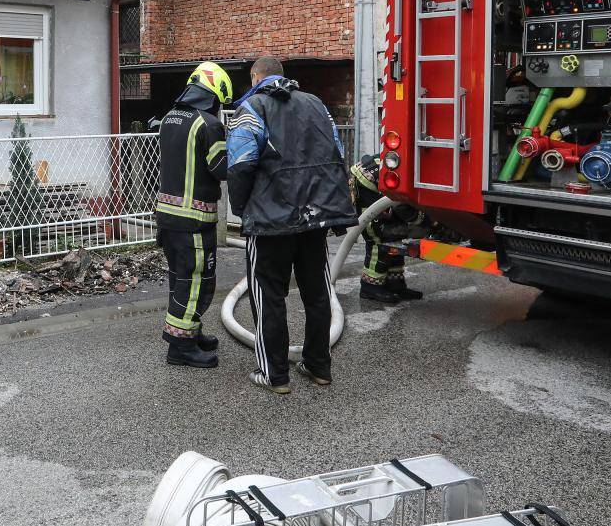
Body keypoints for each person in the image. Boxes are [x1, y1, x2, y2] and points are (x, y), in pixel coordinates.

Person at [226, 57, 358, 394]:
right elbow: (337, 151)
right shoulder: (316, 104)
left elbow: (240, 164)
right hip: (315, 218)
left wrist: (243, 209)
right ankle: (318, 366)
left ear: (256, 77)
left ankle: (275, 375)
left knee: (269, 295)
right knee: (316, 293)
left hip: (271, 221)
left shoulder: (252, 107)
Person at [153, 61, 232, 369]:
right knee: (198, 282)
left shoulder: (169, 118)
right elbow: (221, 169)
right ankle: (181, 348)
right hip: (195, 221)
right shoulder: (209, 125)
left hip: (168, 218)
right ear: (213, 94)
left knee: (180, 279)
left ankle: (190, 332)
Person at [351, 155, 424, 303]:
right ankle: (369, 287)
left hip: (383, 184)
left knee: (395, 238)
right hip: (367, 185)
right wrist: (420, 221)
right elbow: (401, 206)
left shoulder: (418, 174)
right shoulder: (410, 175)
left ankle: (395, 285)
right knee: (377, 237)